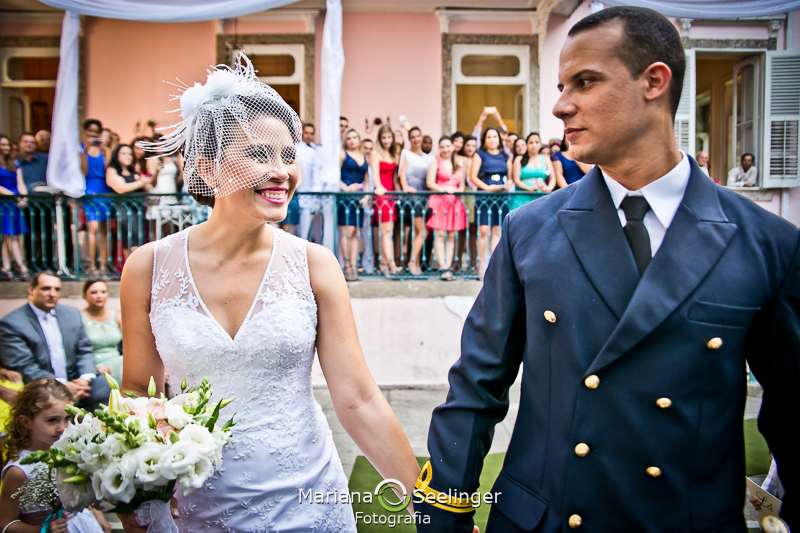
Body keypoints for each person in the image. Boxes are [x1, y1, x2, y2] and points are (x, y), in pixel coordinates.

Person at [416, 6, 800, 532]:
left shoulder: (766, 243)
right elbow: (475, 392)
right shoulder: (530, 230)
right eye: (560, 85)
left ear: (654, 82)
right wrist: (442, 519)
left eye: (585, 82)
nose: (559, 106)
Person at [120, 55, 419, 533]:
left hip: (309, 500)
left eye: (287, 155)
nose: (282, 171)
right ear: (207, 168)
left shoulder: (315, 264)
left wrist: (426, 507)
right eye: (260, 155)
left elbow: (359, 400)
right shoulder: (147, 268)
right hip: (197, 509)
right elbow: (139, 393)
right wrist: (140, 499)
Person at [0, 378, 110, 533]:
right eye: (52, 420)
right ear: (26, 422)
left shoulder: (70, 452)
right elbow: (5, 524)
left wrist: (97, 515)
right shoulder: (19, 471)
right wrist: (43, 529)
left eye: (67, 418)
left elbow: (78, 493)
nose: (62, 427)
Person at [0, 271, 111, 412]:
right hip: (42, 386)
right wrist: (62, 385)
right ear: (31, 290)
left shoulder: (71, 314)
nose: (52, 294)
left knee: (106, 384)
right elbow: (24, 366)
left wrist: (85, 378)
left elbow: (84, 350)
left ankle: (96, 431)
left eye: (57, 289)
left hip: (77, 382)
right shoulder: (12, 323)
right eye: (46, 288)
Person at [469, 127, 511, 276]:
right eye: (489, 137)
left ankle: (493, 267)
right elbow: (473, 176)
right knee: (483, 230)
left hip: (500, 197)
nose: (492, 140)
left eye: (495, 137)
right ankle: (480, 266)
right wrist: (487, 188)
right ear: (484, 140)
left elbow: (510, 176)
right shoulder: (479, 154)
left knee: (496, 231)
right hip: (484, 196)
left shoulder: (505, 155)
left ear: (499, 139)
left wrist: (506, 185)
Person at [426, 137, 467, 281]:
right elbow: (430, 182)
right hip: (439, 202)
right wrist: (445, 189)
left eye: (448, 146)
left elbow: (462, 185)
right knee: (440, 235)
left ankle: (448, 267)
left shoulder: (458, 163)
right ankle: (443, 267)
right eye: (442, 147)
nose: (445, 149)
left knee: (451, 237)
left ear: (452, 147)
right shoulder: (435, 162)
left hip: (454, 203)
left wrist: (456, 191)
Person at [106, 144, 152, 260]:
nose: (128, 156)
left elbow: (149, 186)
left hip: (138, 209)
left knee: (138, 238)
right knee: (131, 237)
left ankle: (136, 266)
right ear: (117, 155)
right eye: (124, 153)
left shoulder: (135, 172)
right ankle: (132, 267)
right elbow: (121, 188)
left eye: (130, 154)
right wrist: (141, 182)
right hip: (123, 209)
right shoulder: (112, 170)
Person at [399, 127, 434, 276]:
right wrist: (405, 186)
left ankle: (417, 263)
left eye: (418, 136)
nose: (416, 139)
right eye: (412, 136)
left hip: (426, 195)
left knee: (419, 232)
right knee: (422, 231)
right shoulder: (405, 153)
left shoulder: (428, 157)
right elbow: (402, 173)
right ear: (409, 139)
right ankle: (412, 262)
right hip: (413, 195)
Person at [80, 119, 113, 277]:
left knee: (104, 231)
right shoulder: (81, 149)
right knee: (92, 229)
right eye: (90, 131)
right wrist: (85, 151)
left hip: (105, 192)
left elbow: (108, 171)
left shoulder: (105, 150)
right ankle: (91, 265)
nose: (92, 134)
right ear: (86, 132)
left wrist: (106, 151)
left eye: (95, 131)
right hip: (89, 192)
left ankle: (103, 265)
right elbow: (83, 171)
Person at [80, 279, 123, 385]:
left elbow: (130, 344)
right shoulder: (78, 317)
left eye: (103, 292)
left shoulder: (117, 315)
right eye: (94, 292)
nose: (99, 296)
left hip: (118, 361)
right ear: (84, 295)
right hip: (93, 364)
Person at [371, 124, 401, 276]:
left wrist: (398, 192)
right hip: (382, 194)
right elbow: (375, 174)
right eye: (384, 137)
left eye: (389, 137)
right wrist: (380, 188)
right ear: (380, 139)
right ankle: (392, 264)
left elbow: (395, 177)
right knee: (386, 231)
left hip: (392, 195)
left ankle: (384, 263)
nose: (387, 140)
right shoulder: (376, 153)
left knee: (389, 231)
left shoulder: (394, 154)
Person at [339, 128, 368, 281]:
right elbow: (333, 175)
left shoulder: (364, 156)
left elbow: (367, 179)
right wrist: (345, 187)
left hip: (359, 200)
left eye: (354, 137)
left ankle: (354, 266)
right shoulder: (343, 154)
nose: (352, 140)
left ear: (359, 139)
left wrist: (366, 197)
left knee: (356, 233)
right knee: (347, 233)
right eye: (349, 138)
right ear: (345, 140)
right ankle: (347, 266)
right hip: (345, 199)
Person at [0, 134, 30, 280]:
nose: (6, 147)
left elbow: (20, 182)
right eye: (3, 144)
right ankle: (22, 267)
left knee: (10, 236)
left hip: (15, 202)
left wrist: (24, 196)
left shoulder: (14, 163)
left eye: (7, 145)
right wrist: (14, 196)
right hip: (4, 202)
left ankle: (6, 267)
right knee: (11, 235)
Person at [509, 132, 555, 211]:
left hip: (541, 195)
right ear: (527, 144)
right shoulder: (519, 159)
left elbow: (553, 178)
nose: (534, 145)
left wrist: (549, 188)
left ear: (540, 144)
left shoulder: (545, 159)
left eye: (537, 142)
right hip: (522, 196)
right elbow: (516, 180)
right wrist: (530, 189)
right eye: (531, 142)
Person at [454, 135, 478, 273]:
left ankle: (473, 263)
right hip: (463, 195)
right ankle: (457, 263)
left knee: (473, 229)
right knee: (461, 230)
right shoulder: (460, 160)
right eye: (468, 145)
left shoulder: (477, 159)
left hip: (475, 196)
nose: (470, 148)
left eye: (473, 146)